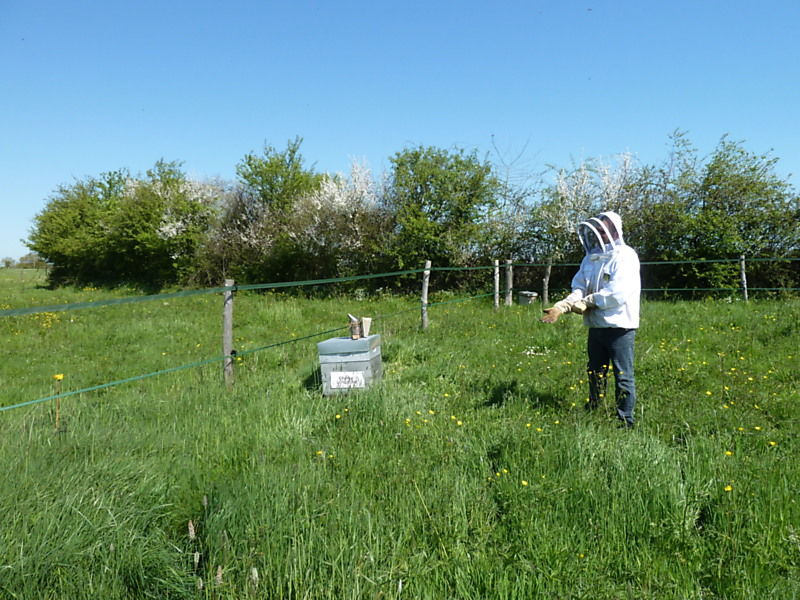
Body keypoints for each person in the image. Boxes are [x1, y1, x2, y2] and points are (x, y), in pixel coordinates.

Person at [540, 211, 641, 428]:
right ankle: (595, 408)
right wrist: (562, 306)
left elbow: (618, 293)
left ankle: (625, 420)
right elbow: (579, 287)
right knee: (595, 370)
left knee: (623, 375)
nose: (602, 236)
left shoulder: (626, 256)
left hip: (620, 327)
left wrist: (589, 302)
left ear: (614, 231)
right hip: (596, 326)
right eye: (600, 231)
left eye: (606, 231)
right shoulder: (591, 258)